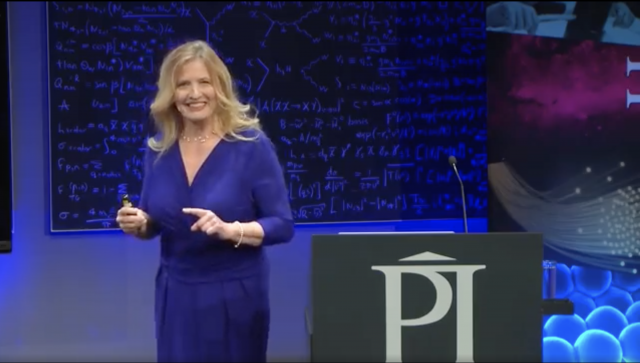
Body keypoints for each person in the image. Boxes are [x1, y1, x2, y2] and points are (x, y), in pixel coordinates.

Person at [115, 40, 295, 362]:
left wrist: (231, 230)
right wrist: (140, 224)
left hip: (234, 297)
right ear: (171, 94)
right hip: (177, 296)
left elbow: (282, 225)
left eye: (204, 82)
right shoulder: (159, 150)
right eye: (183, 84)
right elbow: (154, 219)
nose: (194, 93)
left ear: (219, 88)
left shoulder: (251, 145)